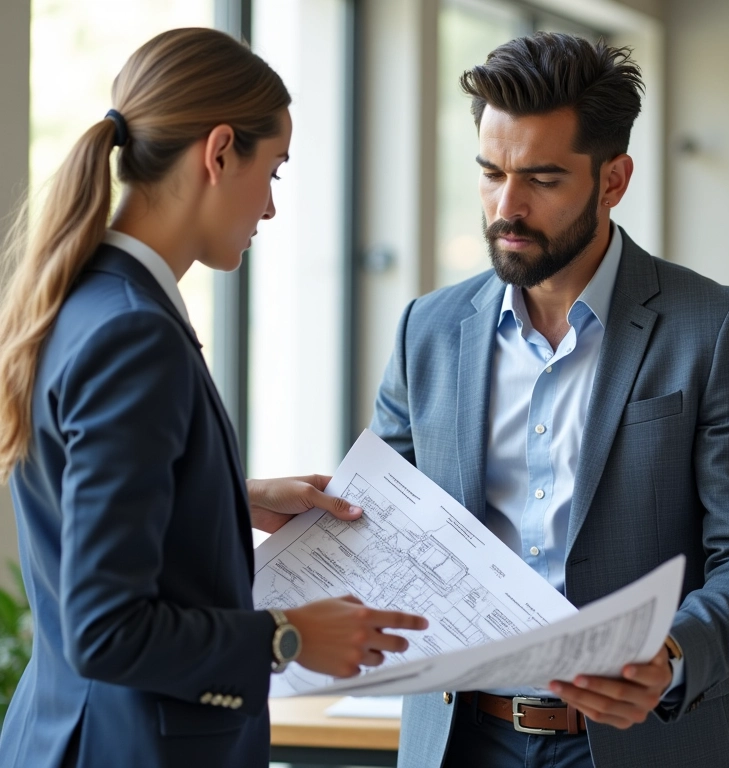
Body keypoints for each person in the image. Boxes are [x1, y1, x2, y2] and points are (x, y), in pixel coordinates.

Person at [0, 27, 427, 768]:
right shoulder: (134, 334)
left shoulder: (85, 302)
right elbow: (107, 629)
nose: (268, 207)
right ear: (220, 150)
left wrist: (232, 495)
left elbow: (91, 514)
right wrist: (291, 635)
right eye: (275, 171)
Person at [371, 32, 729, 768]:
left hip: (646, 741)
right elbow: (384, 528)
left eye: (543, 180)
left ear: (613, 180)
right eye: (490, 173)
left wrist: (674, 655)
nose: (506, 207)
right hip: (460, 740)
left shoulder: (715, 329)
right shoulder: (425, 330)